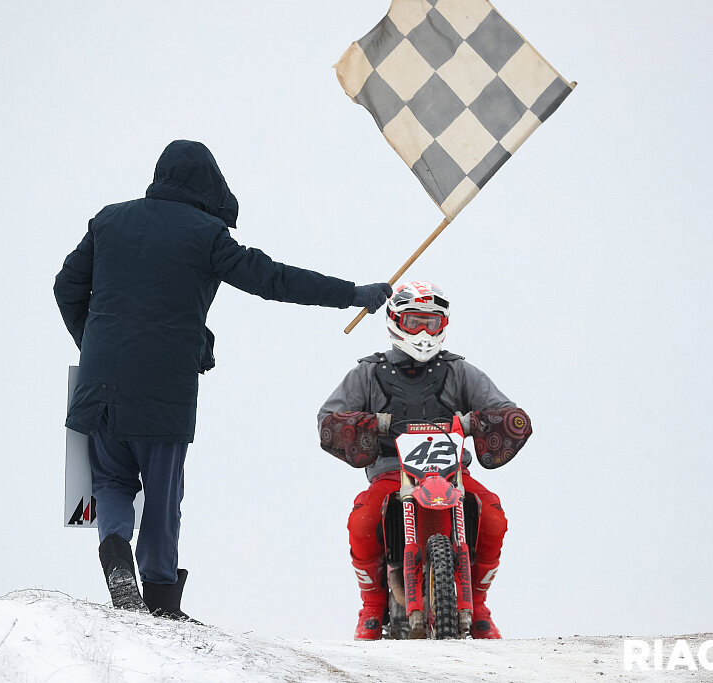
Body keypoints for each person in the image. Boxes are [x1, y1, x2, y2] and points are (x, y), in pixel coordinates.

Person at [54, 139, 392, 619]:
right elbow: (273, 279)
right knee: (163, 493)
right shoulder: (205, 233)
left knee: (111, 480)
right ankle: (160, 596)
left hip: (98, 385)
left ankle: (114, 552)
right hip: (163, 389)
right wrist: (353, 293)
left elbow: (66, 285)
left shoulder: (109, 219)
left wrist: (90, 345)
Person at [317, 281, 532, 639]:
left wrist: (475, 421)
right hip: (392, 473)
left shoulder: (460, 371)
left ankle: (478, 604)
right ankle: (371, 606)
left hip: (453, 474)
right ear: (395, 321)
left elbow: (508, 412)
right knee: (363, 520)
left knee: (492, 515)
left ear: (443, 326)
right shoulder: (368, 372)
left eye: (431, 323)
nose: (423, 332)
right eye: (414, 321)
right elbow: (329, 418)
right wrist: (373, 422)